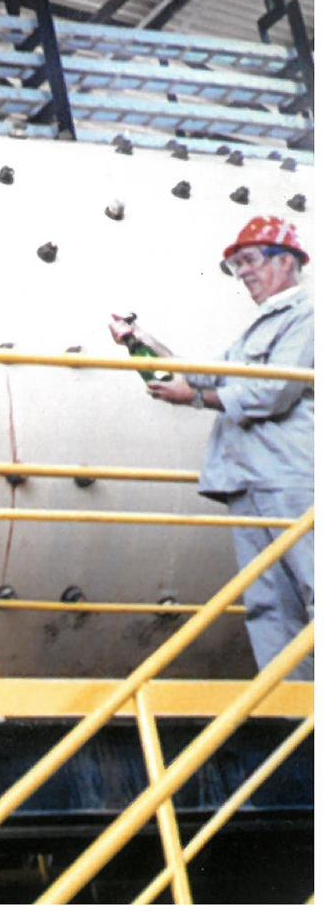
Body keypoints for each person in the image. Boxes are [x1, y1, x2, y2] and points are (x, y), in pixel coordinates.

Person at [108, 215, 313, 679]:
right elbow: (202, 371)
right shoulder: (257, 330)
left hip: (292, 477)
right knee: (267, 602)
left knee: (312, 584)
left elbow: (273, 392)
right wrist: (143, 342)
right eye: (237, 265)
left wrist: (196, 398)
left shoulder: (309, 318)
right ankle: (291, 713)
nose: (243, 273)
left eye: (250, 260)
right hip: (246, 480)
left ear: (288, 262)